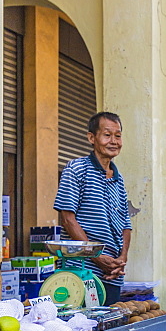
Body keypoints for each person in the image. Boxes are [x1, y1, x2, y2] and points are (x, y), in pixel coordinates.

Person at [53, 112, 132, 306]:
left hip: (113, 274)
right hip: (83, 271)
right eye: (107, 135)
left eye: (118, 135)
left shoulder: (118, 178)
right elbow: (68, 218)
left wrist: (121, 259)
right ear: (91, 138)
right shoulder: (76, 169)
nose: (114, 141)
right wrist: (96, 257)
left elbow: (126, 224)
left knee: (110, 328)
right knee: (86, 328)